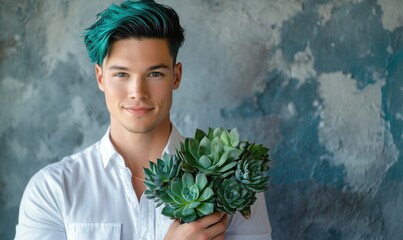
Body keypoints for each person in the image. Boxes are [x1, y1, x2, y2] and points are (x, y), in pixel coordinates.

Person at [15, 0, 272, 239]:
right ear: (100, 77)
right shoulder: (52, 190)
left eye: (155, 74)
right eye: (121, 74)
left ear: (176, 76)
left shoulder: (234, 186)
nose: (138, 92)